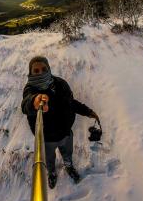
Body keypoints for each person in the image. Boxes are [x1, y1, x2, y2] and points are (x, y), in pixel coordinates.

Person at [21, 55, 100, 189]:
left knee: (67, 154)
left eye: (43, 69)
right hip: (47, 139)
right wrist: (35, 102)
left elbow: (70, 103)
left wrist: (87, 111)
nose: (40, 73)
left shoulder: (60, 83)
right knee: (49, 159)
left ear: (49, 69)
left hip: (66, 133)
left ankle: (69, 166)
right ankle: (52, 173)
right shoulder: (31, 90)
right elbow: (26, 104)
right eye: (36, 71)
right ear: (30, 73)